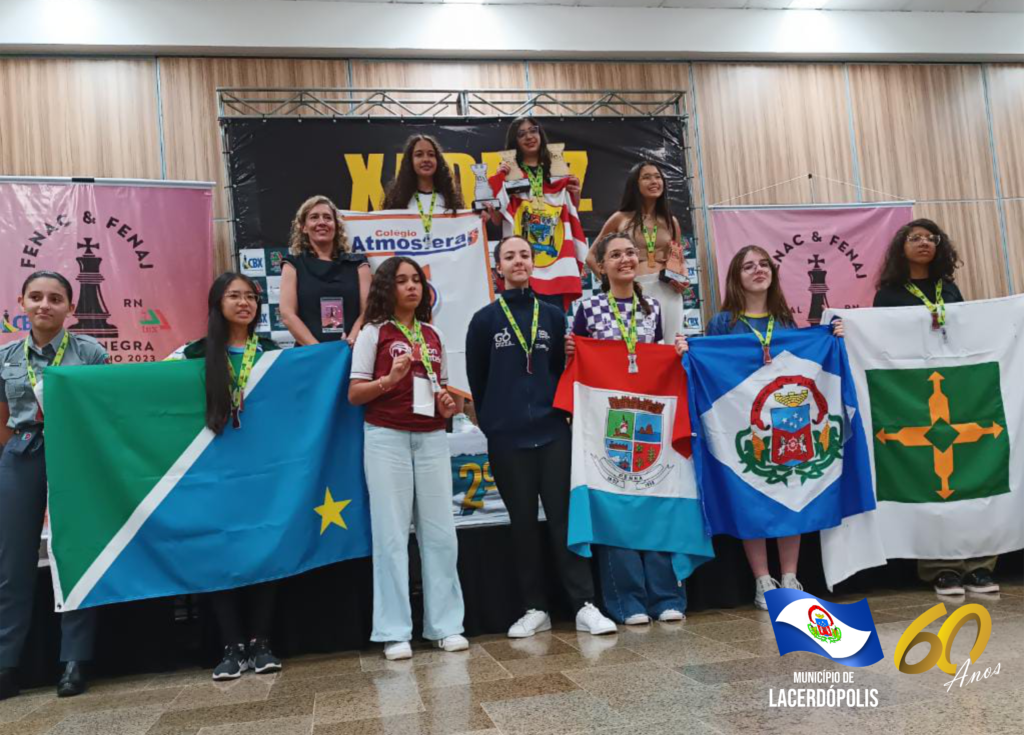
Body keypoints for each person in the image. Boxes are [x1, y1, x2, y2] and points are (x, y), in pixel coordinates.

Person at [465, 236, 617, 638]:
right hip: (507, 439)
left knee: (565, 521)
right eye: (510, 256)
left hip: (552, 434)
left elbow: (558, 374)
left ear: (534, 264)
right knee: (522, 525)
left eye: (525, 255)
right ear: (498, 267)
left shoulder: (551, 316)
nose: (519, 261)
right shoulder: (483, 321)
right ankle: (535, 607)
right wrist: (496, 423)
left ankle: (584, 603)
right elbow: (477, 382)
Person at [348, 256, 468, 660]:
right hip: (385, 437)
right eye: (401, 281)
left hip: (431, 437)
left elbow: (444, 392)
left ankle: (445, 625)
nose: (412, 287)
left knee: (440, 534)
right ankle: (394, 631)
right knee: (391, 534)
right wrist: (389, 380)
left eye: (416, 280)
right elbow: (354, 394)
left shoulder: (432, 334)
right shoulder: (373, 333)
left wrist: (449, 404)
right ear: (387, 288)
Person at [873, 218, 998, 596]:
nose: (925, 243)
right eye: (915, 238)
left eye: (931, 238)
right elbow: (880, 344)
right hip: (913, 397)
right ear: (901, 247)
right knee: (928, 481)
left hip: (958, 394)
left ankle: (979, 564)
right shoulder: (889, 295)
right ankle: (941, 567)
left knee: (969, 476)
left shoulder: (951, 289)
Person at [0, 271, 108, 700]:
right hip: (22, 456)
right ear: (22, 303)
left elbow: (104, 411)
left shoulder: (91, 353)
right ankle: (7, 663)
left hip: (76, 457)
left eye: (55, 298)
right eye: (36, 297)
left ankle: (75, 661)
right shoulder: (6, 357)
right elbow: (4, 422)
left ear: (69, 308)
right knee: (12, 565)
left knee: (76, 555)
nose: (45, 305)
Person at [570, 233, 689, 625]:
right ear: (600, 266)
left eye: (630, 253)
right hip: (607, 423)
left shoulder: (653, 307)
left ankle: (665, 595)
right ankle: (627, 601)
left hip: (648, 415)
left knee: (655, 498)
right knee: (615, 504)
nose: (626, 259)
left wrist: (676, 354)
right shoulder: (587, 308)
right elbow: (580, 367)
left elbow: (656, 358)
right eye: (616, 254)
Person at [178, 272, 284, 680]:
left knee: (265, 550)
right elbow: (149, 392)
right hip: (213, 472)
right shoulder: (193, 354)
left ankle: (261, 643)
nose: (244, 303)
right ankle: (231, 646)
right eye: (233, 296)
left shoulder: (273, 352)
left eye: (250, 297)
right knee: (220, 554)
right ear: (216, 304)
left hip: (264, 473)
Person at [587, 161, 688, 344]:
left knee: (672, 345)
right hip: (635, 289)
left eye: (658, 177)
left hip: (668, 291)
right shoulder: (621, 218)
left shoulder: (671, 221)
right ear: (635, 183)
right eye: (647, 177)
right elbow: (591, 257)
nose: (654, 181)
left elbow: (679, 259)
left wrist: (682, 278)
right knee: (639, 345)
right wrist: (612, 285)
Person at [488, 117, 583, 309]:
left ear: (540, 134)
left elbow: (571, 211)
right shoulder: (509, 175)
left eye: (533, 130)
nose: (529, 136)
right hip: (521, 268)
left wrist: (576, 192)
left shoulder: (557, 171)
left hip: (556, 267)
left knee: (554, 330)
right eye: (521, 134)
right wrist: (499, 183)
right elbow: (497, 220)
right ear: (514, 141)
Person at [279, 195, 370, 347]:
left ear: (336, 225)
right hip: (311, 354)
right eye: (314, 217)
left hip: (353, 351)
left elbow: (367, 312)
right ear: (304, 227)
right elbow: (288, 315)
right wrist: (319, 351)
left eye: (327, 218)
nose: (321, 222)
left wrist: (351, 342)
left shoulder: (358, 264)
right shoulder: (293, 264)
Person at [381, 134, 464, 223]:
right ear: (410, 161)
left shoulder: (450, 199)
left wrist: (480, 219)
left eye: (431, 155)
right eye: (419, 155)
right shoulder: (397, 200)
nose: (426, 159)